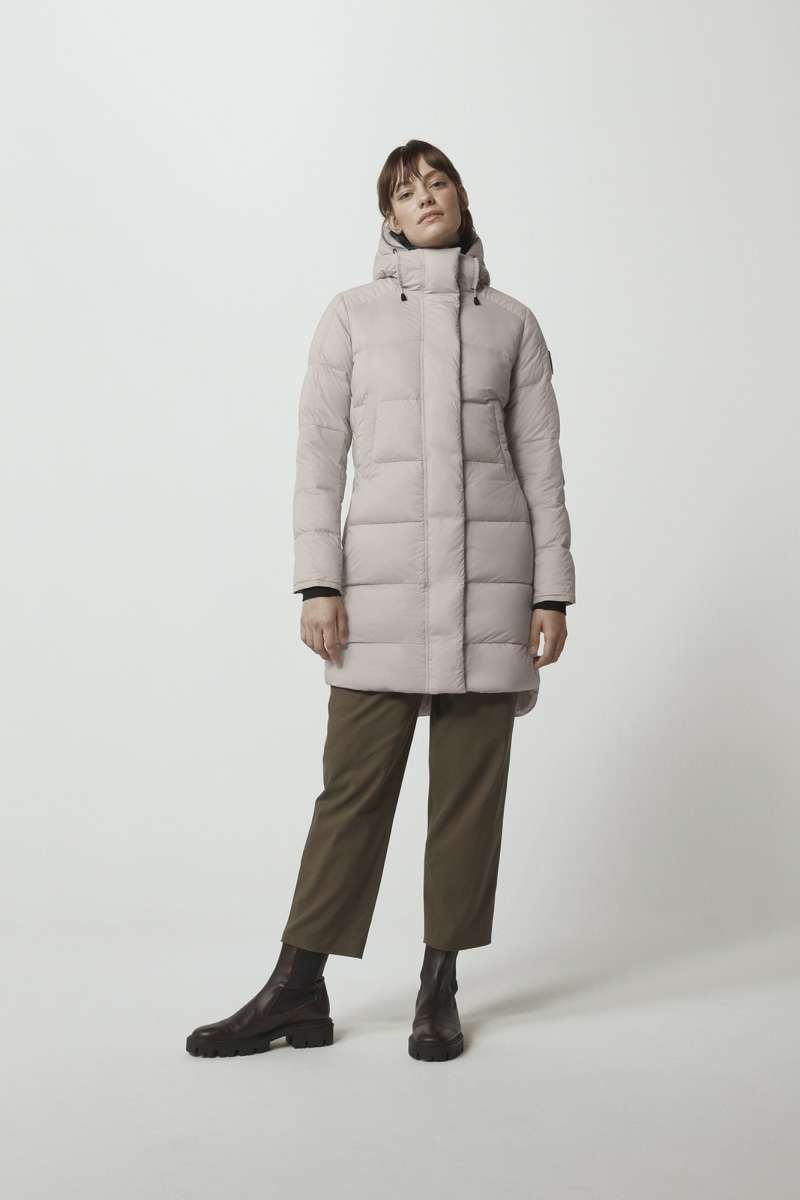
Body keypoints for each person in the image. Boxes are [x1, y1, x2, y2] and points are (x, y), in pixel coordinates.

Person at [186, 139, 575, 1063]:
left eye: (437, 182)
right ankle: (298, 987)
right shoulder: (351, 317)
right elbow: (319, 455)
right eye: (406, 191)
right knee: (351, 791)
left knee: (468, 800)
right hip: (379, 590)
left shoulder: (513, 324)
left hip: (492, 591)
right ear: (388, 217)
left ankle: (439, 984)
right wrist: (319, 581)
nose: (424, 197)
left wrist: (552, 591)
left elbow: (543, 466)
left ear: (461, 196)